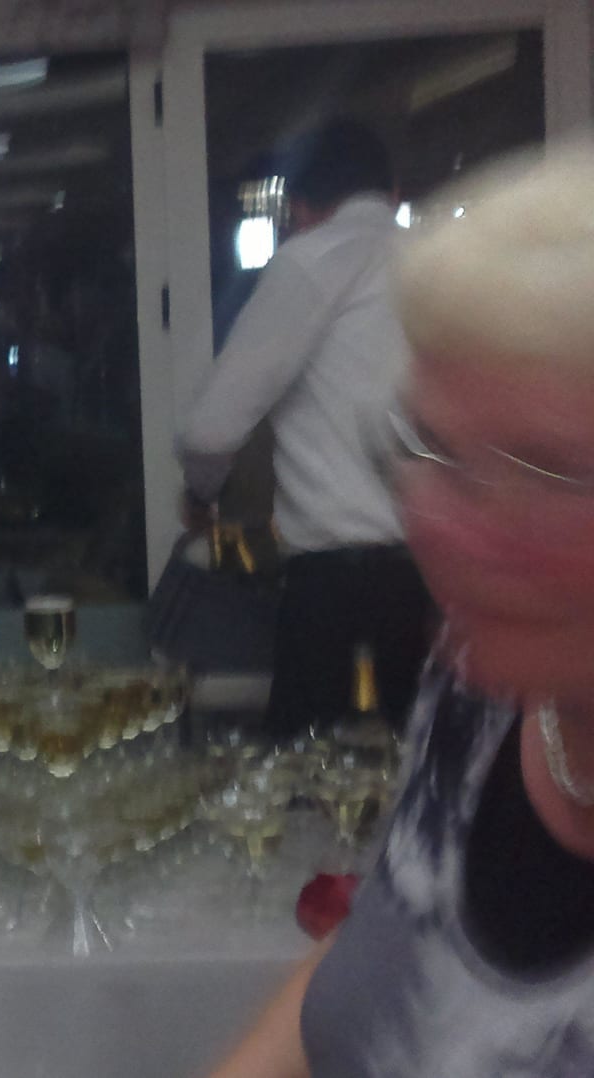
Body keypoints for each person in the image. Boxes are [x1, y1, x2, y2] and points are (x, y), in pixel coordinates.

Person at [206, 149, 594, 1077]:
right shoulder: (479, 689)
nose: (445, 530)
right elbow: (388, 952)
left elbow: (209, 429)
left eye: (545, 467)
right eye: (432, 449)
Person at [177, 120, 432, 739]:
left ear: (298, 209)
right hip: (443, 581)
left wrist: (202, 494)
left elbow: (211, 431)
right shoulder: (443, 261)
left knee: (310, 780)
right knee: (430, 776)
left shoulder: (308, 262)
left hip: (336, 591)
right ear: (394, 192)